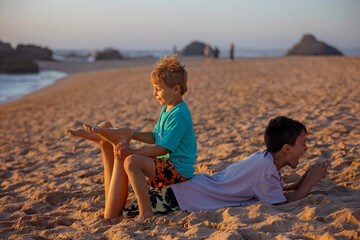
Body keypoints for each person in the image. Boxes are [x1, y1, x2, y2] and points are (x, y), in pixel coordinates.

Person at [66, 54, 197, 221]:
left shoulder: (179, 114)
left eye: (158, 88)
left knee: (132, 161)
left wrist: (133, 152)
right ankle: (105, 144)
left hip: (178, 169)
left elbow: (163, 148)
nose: (154, 93)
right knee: (120, 203)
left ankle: (146, 212)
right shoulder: (167, 110)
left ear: (176, 89)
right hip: (167, 167)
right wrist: (132, 134)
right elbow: (156, 137)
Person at [122, 116, 330, 216]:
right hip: (180, 198)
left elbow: (278, 191)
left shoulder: (263, 160)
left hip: (188, 188)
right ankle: (113, 145)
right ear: (286, 148)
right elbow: (281, 204)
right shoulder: (266, 171)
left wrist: (305, 178)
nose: (305, 149)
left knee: (122, 208)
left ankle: (111, 143)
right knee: (121, 213)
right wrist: (309, 182)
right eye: (303, 144)